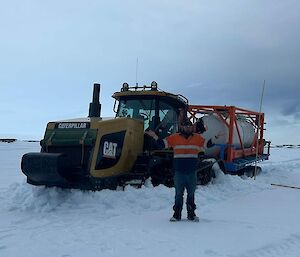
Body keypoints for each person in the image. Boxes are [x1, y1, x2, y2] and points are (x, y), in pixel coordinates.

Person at [146, 119, 206, 222]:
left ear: (192, 127)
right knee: (178, 194)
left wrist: (213, 139)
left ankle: (191, 214)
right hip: (179, 172)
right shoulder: (174, 138)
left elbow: (205, 148)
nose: (187, 127)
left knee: (191, 194)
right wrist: (154, 136)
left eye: (189, 125)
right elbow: (162, 144)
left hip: (192, 172)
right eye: (185, 125)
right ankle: (176, 214)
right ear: (181, 127)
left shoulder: (198, 138)